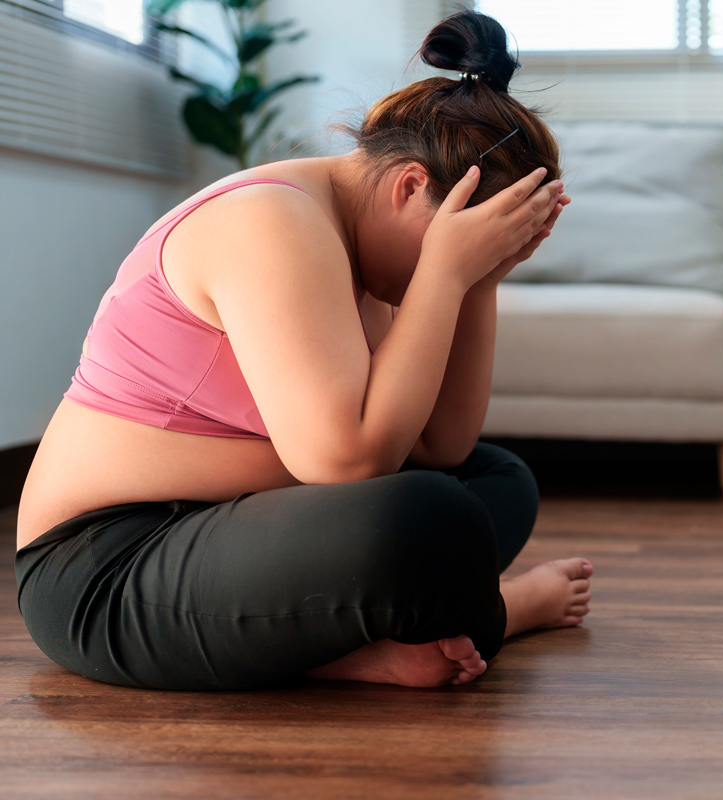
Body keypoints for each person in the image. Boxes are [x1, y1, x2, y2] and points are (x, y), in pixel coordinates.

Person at [13, 10, 592, 692]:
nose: (447, 266)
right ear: (410, 186)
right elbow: (347, 462)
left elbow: (442, 445)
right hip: (105, 568)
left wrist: (478, 279)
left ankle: (345, 649)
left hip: (229, 533)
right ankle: (498, 613)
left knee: (496, 479)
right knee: (432, 516)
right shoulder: (272, 221)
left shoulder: (363, 234)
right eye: (454, 243)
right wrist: (444, 271)